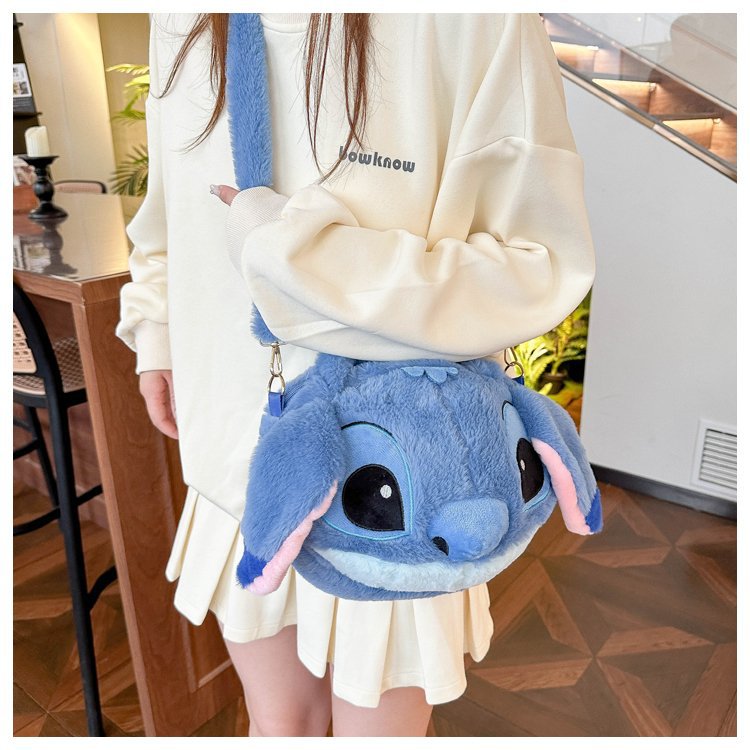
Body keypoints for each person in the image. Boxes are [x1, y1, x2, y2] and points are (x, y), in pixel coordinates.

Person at [116, 12, 595, 737]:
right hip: (237, 459)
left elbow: (539, 264)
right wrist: (158, 329)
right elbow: (172, 199)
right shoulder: (182, 13)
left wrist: (288, 251)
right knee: (278, 725)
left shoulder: (476, 21)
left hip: (395, 485)